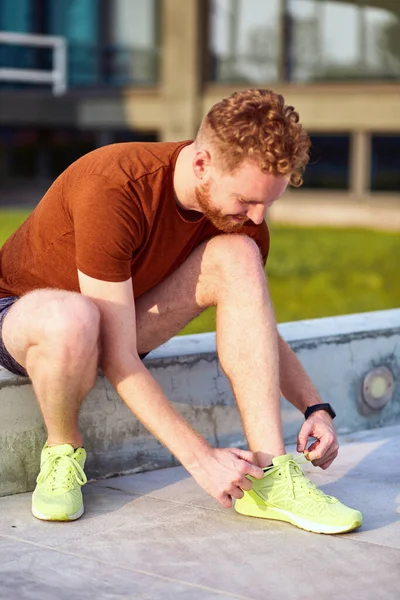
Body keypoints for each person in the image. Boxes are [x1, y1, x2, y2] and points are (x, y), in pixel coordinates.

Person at [0, 88, 362, 534]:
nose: (257, 216)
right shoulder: (115, 185)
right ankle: (61, 451)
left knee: (238, 256)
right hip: (23, 314)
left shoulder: (241, 219)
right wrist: (201, 458)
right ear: (201, 164)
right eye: (247, 200)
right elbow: (116, 354)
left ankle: (273, 477)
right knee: (72, 317)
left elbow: (255, 325)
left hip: (115, 319)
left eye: (269, 203)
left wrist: (315, 406)